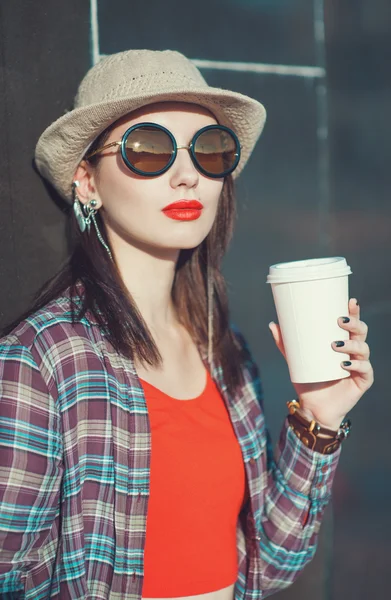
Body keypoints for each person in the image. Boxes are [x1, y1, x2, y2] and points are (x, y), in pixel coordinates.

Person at [0, 49, 373, 600]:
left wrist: (318, 416)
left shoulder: (225, 351)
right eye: (147, 150)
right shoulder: (41, 360)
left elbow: (267, 566)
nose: (186, 175)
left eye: (209, 151)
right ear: (87, 182)